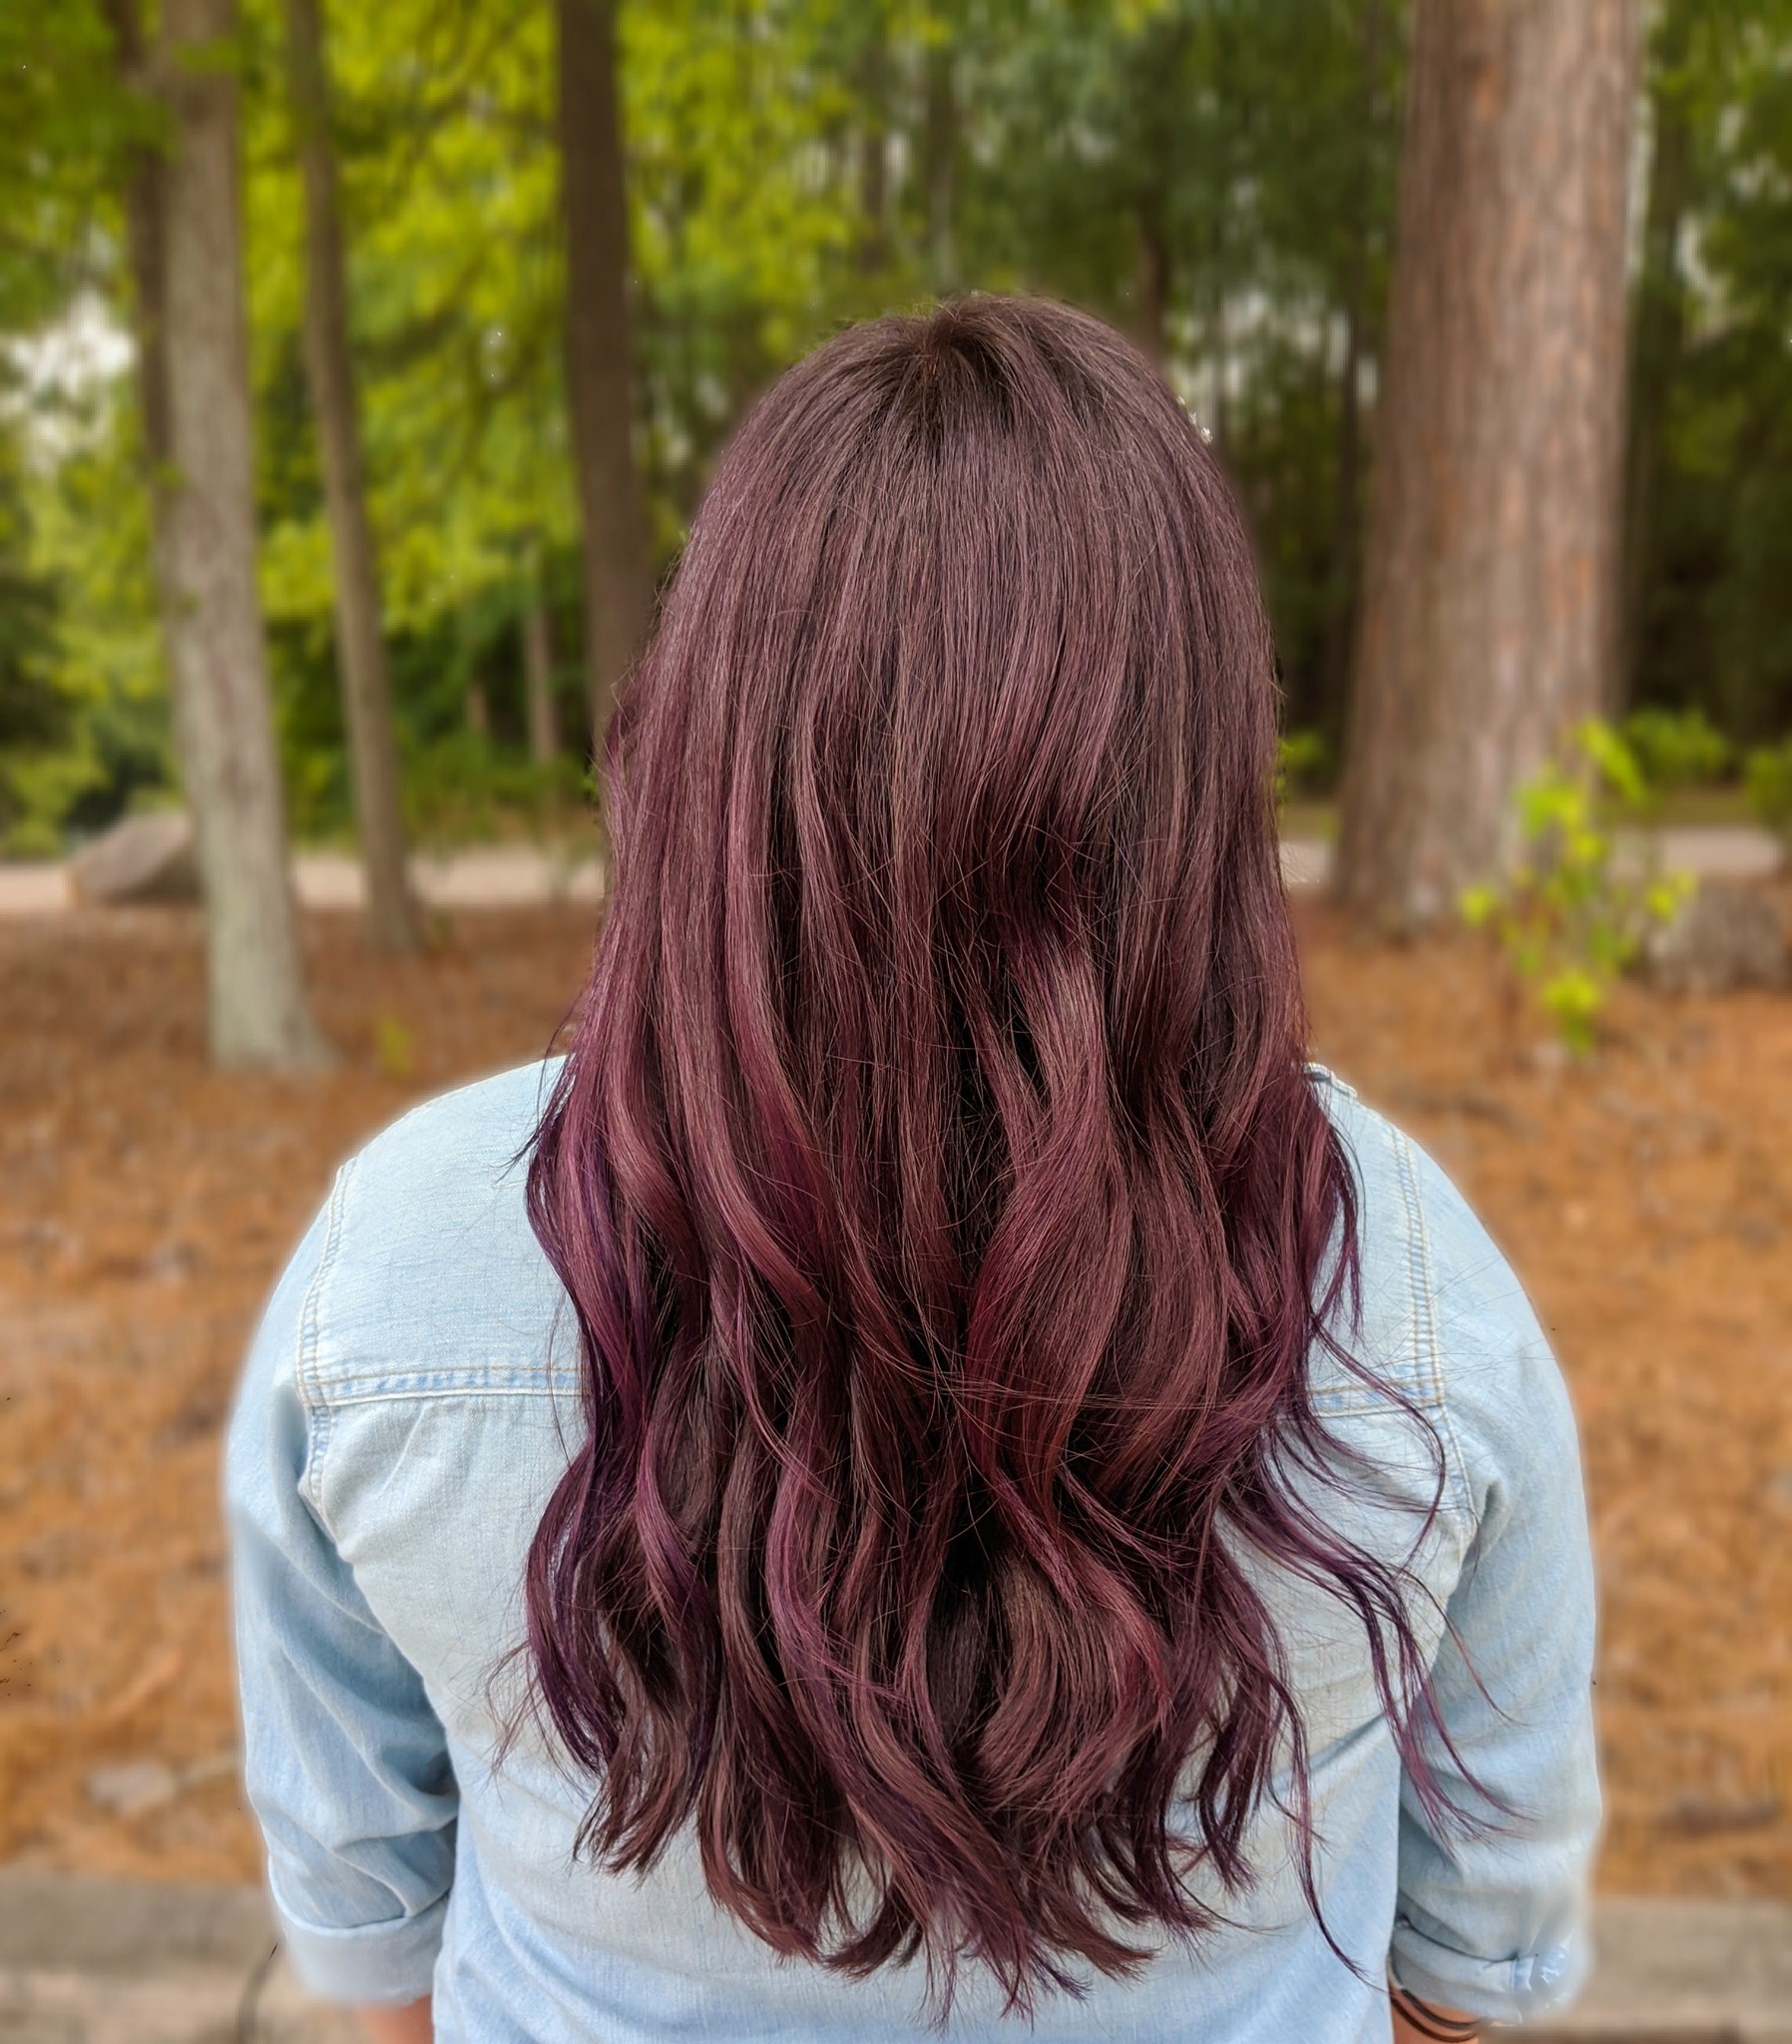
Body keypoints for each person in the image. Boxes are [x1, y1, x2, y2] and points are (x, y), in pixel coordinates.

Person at [225, 295, 1599, 2044]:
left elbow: (378, 1942)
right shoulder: (1415, 1299)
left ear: (706, 745)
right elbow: (1472, 1964)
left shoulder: (387, 1282)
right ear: (1197, 785)